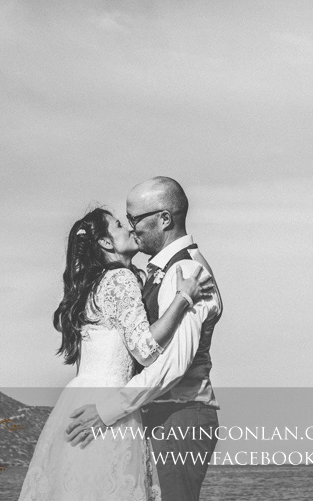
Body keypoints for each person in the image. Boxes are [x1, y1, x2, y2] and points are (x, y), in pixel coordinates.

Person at [18, 207, 212, 501]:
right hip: (107, 404)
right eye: (120, 224)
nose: (129, 229)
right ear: (106, 243)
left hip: (77, 399)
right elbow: (145, 350)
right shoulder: (121, 278)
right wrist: (182, 299)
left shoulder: (90, 285)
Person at [66, 177, 223, 501]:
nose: (131, 228)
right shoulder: (151, 274)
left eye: (134, 219)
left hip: (179, 415)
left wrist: (107, 409)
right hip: (154, 413)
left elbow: (173, 365)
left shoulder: (189, 274)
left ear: (164, 218)